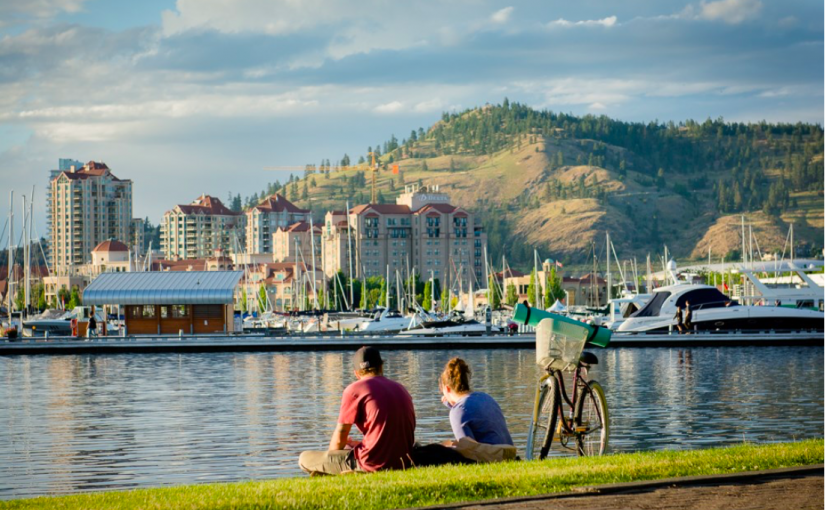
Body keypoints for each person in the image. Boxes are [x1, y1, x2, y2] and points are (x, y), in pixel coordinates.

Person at [298, 346, 416, 475]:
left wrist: (331, 457)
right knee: (348, 446)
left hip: (372, 463)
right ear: (381, 367)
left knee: (304, 458)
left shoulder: (354, 390)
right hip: (403, 460)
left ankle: (346, 472)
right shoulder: (400, 388)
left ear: (356, 373)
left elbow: (339, 438)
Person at [440, 357, 513, 446]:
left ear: (447, 388)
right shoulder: (485, 397)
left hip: (492, 457)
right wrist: (452, 406)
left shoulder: (457, 411)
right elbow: (470, 412)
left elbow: (467, 449)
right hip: (509, 453)